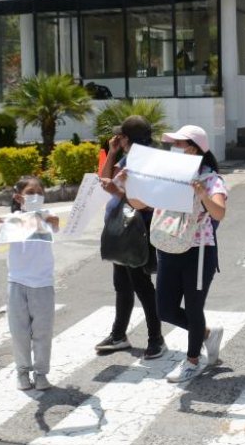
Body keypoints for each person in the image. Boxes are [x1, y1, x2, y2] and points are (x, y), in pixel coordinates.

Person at [144, 125, 229, 384]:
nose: (175, 148)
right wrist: (131, 186)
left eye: (180, 143)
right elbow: (141, 204)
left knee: (193, 308)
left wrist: (202, 193)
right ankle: (206, 333)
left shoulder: (211, 178)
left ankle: (192, 361)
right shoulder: (168, 177)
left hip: (199, 251)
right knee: (165, 310)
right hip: (169, 247)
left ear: (194, 148)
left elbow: (219, 213)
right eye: (175, 143)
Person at [95, 115, 165, 359]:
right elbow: (104, 179)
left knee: (142, 285)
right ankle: (118, 335)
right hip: (120, 226)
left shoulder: (147, 162)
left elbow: (144, 201)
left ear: (128, 138)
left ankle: (156, 338)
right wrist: (111, 153)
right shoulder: (128, 157)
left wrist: (116, 190)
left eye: (120, 137)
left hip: (137, 228)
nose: (117, 139)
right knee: (122, 284)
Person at [0, 177, 60, 392]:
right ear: (19, 197)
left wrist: (54, 223)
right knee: (19, 332)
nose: (36, 196)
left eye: (40, 192)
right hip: (17, 282)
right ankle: (23, 372)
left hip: (43, 284)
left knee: (42, 332)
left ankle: (41, 374)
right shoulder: (12, 220)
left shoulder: (47, 217)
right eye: (31, 192)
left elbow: (56, 228)